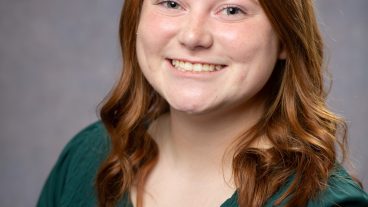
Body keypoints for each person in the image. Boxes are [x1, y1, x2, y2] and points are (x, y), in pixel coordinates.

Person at [37, 0, 368, 206]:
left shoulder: (322, 202)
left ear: (285, 38)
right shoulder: (87, 156)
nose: (193, 36)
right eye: (170, 3)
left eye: (232, 10)